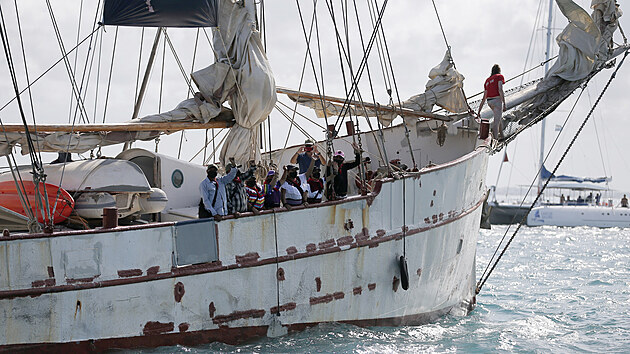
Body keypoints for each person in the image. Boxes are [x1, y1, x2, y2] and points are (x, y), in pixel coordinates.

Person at [477, 64, 506, 140]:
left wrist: (479, 111)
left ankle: (502, 135)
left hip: (489, 101)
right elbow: (500, 89)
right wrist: (504, 103)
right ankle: (495, 139)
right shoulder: (499, 76)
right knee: (496, 122)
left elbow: (484, 97)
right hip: (497, 100)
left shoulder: (487, 80)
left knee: (498, 117)